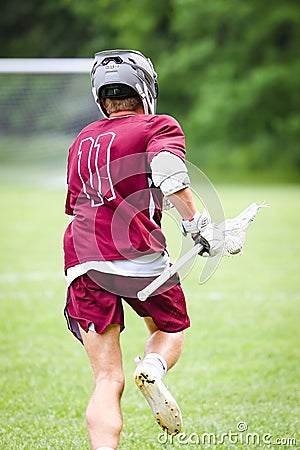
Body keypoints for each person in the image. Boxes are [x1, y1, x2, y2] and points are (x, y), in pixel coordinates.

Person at [63, 49, 222, 450]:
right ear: (145, 89)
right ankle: (152, 368)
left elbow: (80, 203)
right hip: (138, 254)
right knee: (170, 328)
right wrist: (196, 225)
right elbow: (170, 175)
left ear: (102, 98)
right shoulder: (158, 125)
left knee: (106, 378)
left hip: (83, 259)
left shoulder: (82, 137)